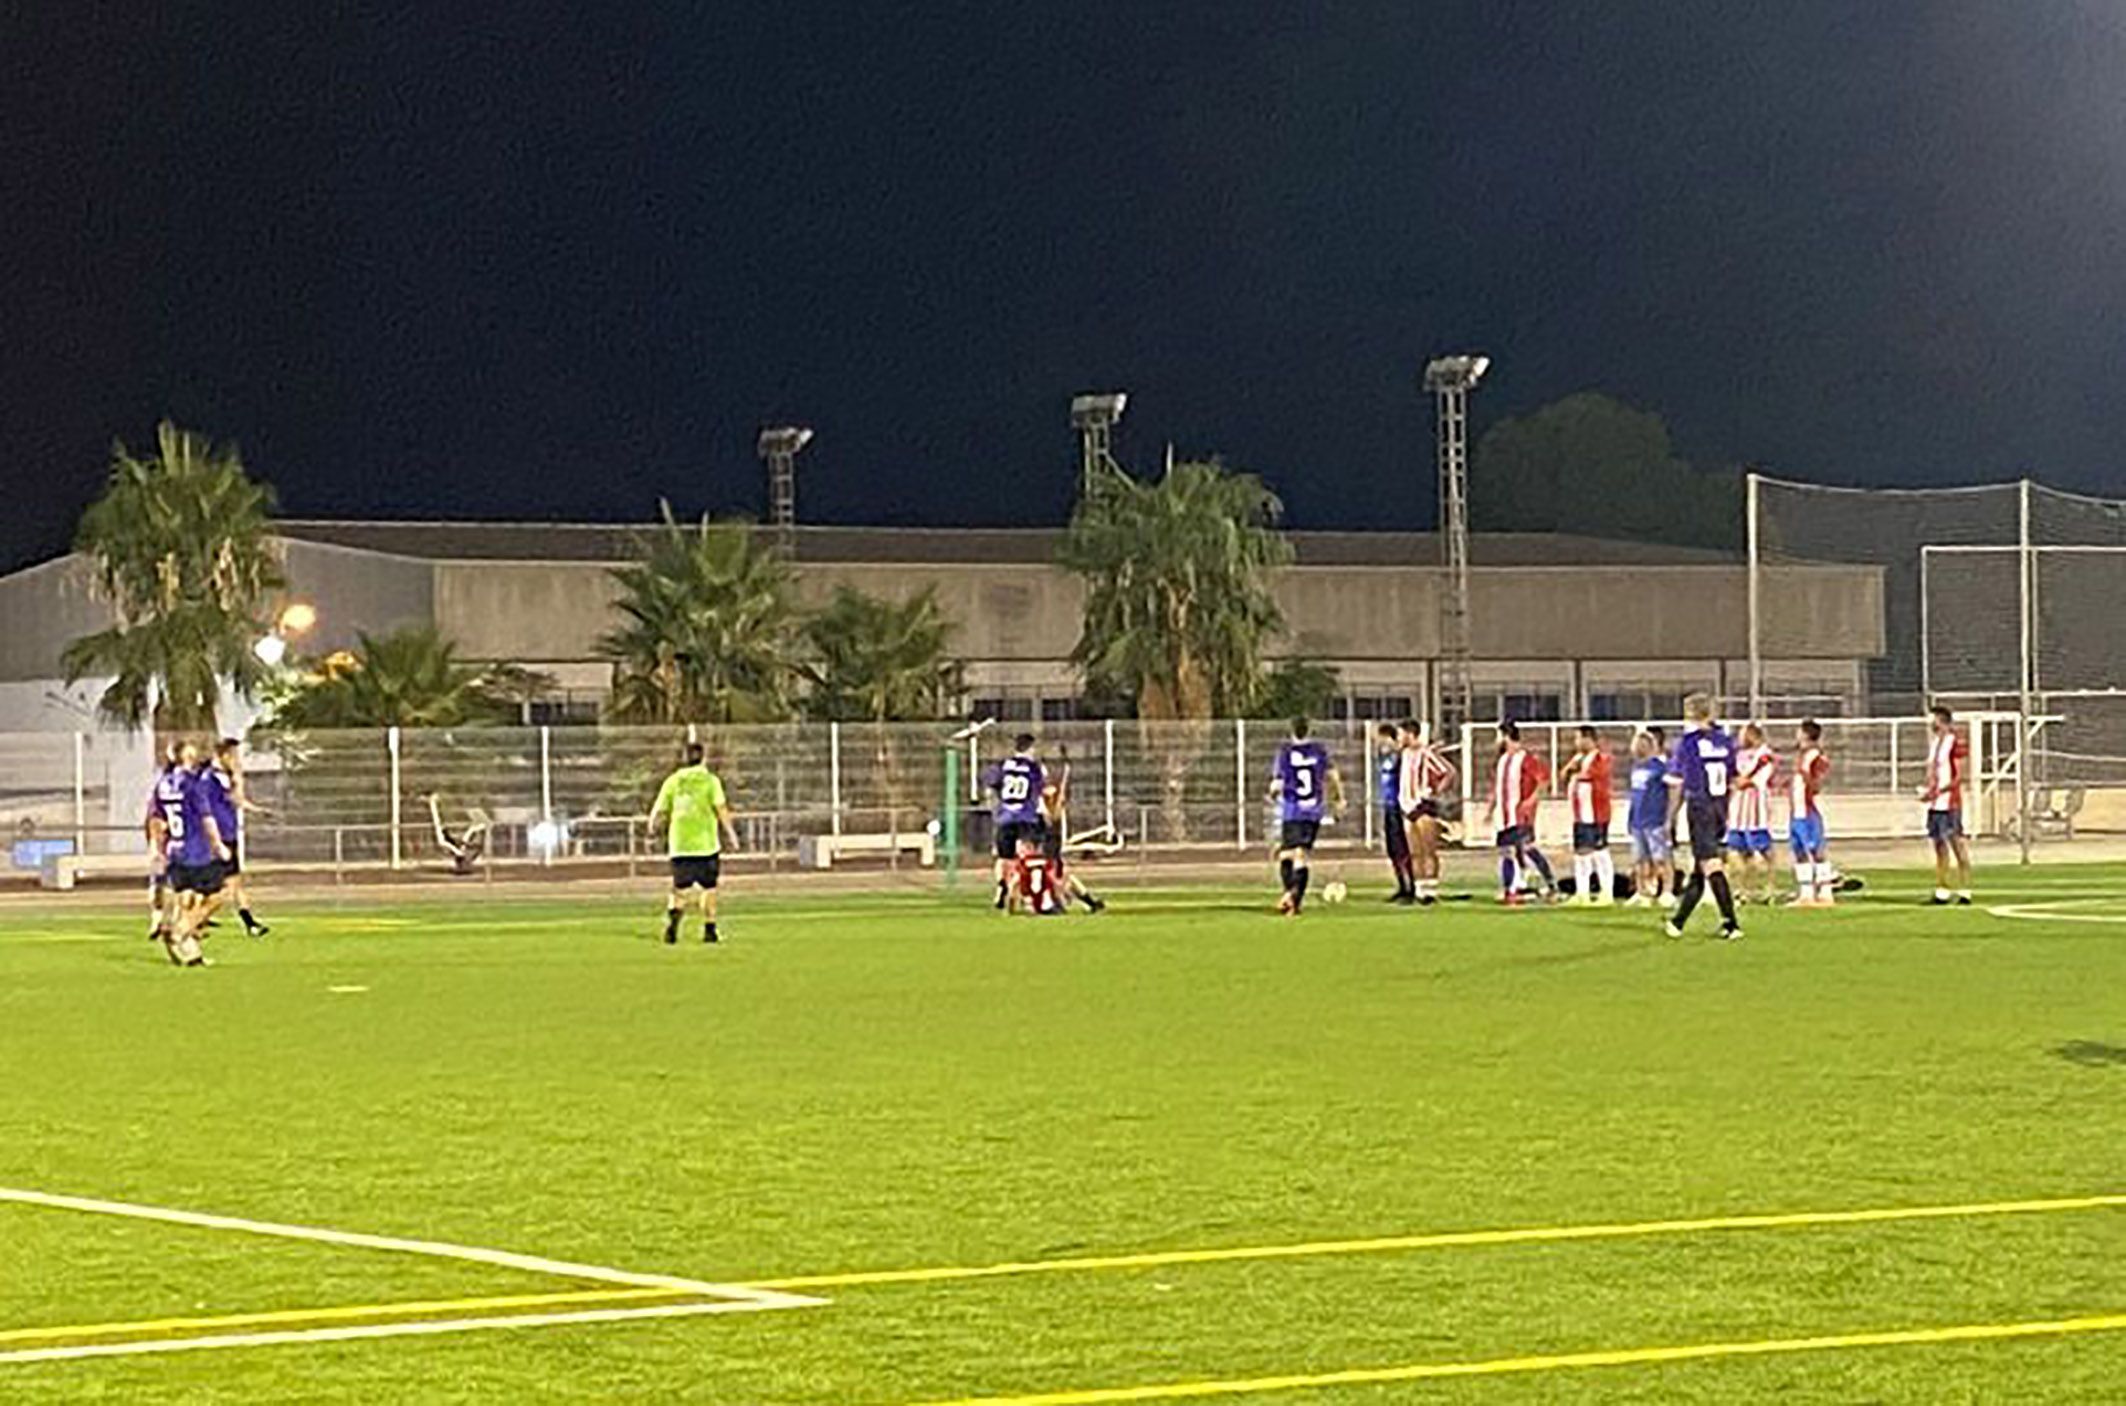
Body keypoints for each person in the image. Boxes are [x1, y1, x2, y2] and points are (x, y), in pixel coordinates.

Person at [1662, 694, 1743, 940]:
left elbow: (1677, 783)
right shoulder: (1725, 741)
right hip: (1719, 807)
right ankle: (1677, 922)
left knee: (1710, 864)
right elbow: (1734, 778)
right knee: (1699, 867)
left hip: (1700, 806)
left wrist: (1670, 818)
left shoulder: (1688, 744)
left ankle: (1731, 923)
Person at [649, 742, 738, 943]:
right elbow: (721, 808)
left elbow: (659, 809)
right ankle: (709, 929)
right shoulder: (710, 781)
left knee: (679, 888)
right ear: (703, 758)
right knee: (709, 888)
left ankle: (673, 924)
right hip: (706, 845)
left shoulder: (673, 781)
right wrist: (731, 833)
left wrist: (652, 825)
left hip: (680, 844)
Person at [163, 741, 232, 967]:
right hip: (196, 851)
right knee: (218, 895)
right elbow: (206, 817)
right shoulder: (193, 785)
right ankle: (179, 932)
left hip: (175, 850)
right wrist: (218, 845)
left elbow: (158, 817)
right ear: (187, 757)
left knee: (187, 899)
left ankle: (192, 954)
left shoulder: (164, 783)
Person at [1268, 717, 1342, 915]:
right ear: (1309, 730)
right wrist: (1338, 799)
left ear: (1292, 731)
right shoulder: (1319, 751)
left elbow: (1276, 785)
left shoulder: (1285, 753)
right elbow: (1333, 777)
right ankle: (1294, 900)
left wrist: (1273, 794)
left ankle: (1291, 897)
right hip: (1313, 810)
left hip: (1292, 810)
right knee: (1300, 855)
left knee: (1287, 855)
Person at [208, 738, 270, 937]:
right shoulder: (212, 778)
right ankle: (192, 921)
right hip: (219, 837)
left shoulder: (224, 777)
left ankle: (250, 924)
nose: (237, 760)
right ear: (223, 755)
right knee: (223, 886)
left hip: (229, 835)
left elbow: (238, 800)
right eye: (233, 755)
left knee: (234, 882)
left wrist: (258, 810)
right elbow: (230, 800)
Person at [1488, 722, 1554, 904]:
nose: (1496, 741)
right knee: (1507, 852)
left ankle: (1550, 884)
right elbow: (1498, 787)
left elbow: (1543, 781)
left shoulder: (1525, 758)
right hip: (1503, 815)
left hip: (1520, 814)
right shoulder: (1502, 760)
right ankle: (1510, 890)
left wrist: (1532, 800)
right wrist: (1491, 808)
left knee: (1526, 848)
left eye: (1498, 736)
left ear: (1506, 736)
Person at [981, 734, 1046, 911]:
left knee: (1004, 858)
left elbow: (990, 784)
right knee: (1029, 856)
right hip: (1026, 816)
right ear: (1030, 749)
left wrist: (996, 806)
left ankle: (1001, 886)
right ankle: (1028, 896)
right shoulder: (1034, 768)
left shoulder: (1003, 765)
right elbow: (1039, 790)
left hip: (1005, 817)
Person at [1397, 719, 1456, 905]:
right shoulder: (1405, 754)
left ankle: (1431, 889)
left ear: (1410, 734)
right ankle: (1420, 889)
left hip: (1423, 805)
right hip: (1407, 807)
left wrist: (1435, 790)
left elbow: (1449, 772)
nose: (1399, 738)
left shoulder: (1426, 754)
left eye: (1401, 734)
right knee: (1414, 852)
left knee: (1428, 850)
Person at [1921, 704, 1974, 905]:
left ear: (1942, 721)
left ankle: (1965, 889)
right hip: (1935, 804)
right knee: (1939, 846)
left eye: (1933, 719)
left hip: (1950, 802)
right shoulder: (1935, 743)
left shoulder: (1954, 742)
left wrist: (1940, 791)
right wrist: (1928, 790)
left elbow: (1959, 776)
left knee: (1957, 843)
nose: (1931, 724)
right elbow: (1932, 771)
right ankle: (1942, 889)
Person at [1038, 763, 1106, 913]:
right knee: (1056, 878)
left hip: (1053, 846)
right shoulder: (1043, 805)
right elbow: (1054, 811)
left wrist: (1064, 780)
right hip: (1048, 847)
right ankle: (1059, 902)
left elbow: (1058, 804)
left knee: (1067, 877)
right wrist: (1064, 782)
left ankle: (1089, 902)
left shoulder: (1044, 802)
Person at [1724, 722, 1778, 904]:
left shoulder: (1764, 755)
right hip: (1737, 811)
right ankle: (1742, 890)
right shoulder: (1737, 755)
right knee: (1738, 851)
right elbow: (1732, 777)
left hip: (1756, 811)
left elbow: (1757, 779)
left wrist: (1742, 781)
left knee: (1764, 850)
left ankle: (1770, 888)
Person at [1562, 725, 1616, 905]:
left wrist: (1576, 773)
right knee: (1581, 854)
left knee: (1600, 852)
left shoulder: (1600, 758)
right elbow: (1564, 775)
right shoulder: (1578, 758)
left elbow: (1593, 776)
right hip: (1580, 814)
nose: (1576, 743)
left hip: (1596, 814)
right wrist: (1569, 771)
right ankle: (1582, 893)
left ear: (1588, 739)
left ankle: (1606, 893)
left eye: (1578, 738)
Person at [1788, 719, 1835, 906]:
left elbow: (1818, 781)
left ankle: (1825, 891)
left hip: (1807, 810)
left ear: (1806, 734)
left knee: (1816, 849)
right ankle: (1806, 893)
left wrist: (1807, 778)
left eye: (1799, 731)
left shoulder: (1815, 756)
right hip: (1796, 811)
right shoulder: (1802, 755)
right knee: (1799, 850)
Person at [1625, 728, 1673, 908]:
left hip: (1655, 819)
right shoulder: (1636, 768)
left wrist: (1668, 817)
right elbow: (1634, 795)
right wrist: (1630, 817)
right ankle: (1641, 892)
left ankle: (1667, 891)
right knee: (1639, 859)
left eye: (1643, 744)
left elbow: (1671, 789)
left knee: (1661, 858)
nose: (1639, 748)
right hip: (1638, 820)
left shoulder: (1660, 767)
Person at [145, 741, 183, 943]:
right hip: (175, 843)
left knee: (166, 884)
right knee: (171, 884)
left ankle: (163, 921)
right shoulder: (169, 784)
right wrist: (154, 843)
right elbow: (155, 818)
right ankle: (165, 922)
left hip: (172, 841)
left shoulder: (165, 783)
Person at [1374, 724, 1416, 904]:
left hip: (1398, 807)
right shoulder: (1382, 756)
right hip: (1387, 805)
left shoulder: (1400, 757)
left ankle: (1411, 887)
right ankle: (1401, 885)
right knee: (1392, 849)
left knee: (1402, 848)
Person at [1008, 835, 1068, 915]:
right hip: (1048, 905)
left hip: (1032, 901)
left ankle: (1030, 905)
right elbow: (1056, 883)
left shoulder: (1023, 864)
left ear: (1030, 848)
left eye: (1022, 849)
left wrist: (1010, 909)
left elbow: (1013, 885)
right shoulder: (1046, 861)